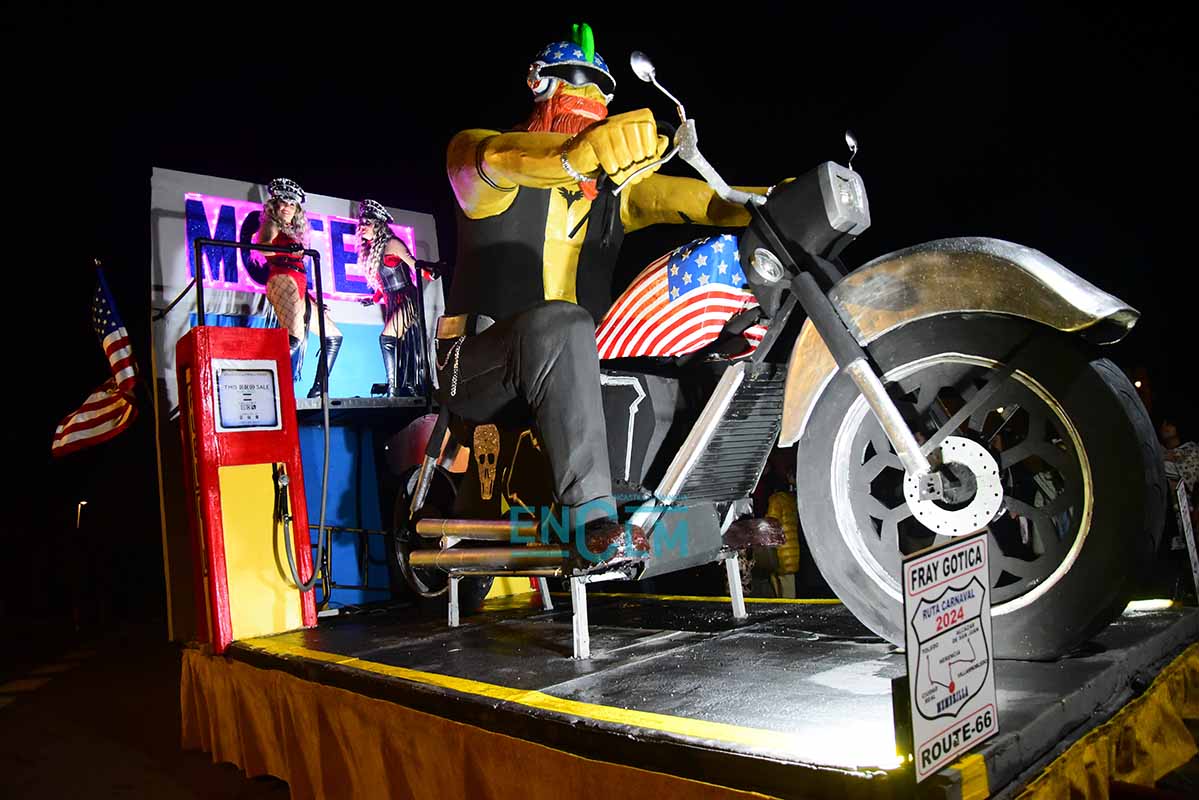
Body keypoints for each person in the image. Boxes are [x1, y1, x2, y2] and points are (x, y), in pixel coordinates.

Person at [438, 24, 769, 565]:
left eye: (602, 89)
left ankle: (719, 507)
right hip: (475, 364)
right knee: (563, 324)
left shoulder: (615, 194)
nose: (590, 96)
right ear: (539, 83)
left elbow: (708, 202)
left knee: (701, 342)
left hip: (570, 366)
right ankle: (589, 520)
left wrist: (775, 201)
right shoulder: (479, 154)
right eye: (577, 81)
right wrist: (578, 154)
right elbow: (505, 157)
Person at [253, 178, 343, 398]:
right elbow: (262, 247)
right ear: (275, 204)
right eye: (283, 202)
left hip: (299, 284)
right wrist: (287, 251)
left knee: (333, 336)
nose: (287, 207)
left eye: (292, 204)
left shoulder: (292, 230)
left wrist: (311, 299)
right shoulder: (271, 223)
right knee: (294, 337)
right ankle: (263, 384)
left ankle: (318, 390)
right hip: (283, 279)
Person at [356, 199, 429, 397]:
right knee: (401, 346)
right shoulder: (373, 250)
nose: (362, 227)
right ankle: (402, 386)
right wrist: (374, 299)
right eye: (361, 223)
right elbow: (383, 283)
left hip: (406, 297)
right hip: (391, 300)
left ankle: (393, 388)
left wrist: (431, 272)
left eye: (367, 223)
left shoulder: (393, 244)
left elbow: (415, 266)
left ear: (378, 225)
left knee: (387, 338)